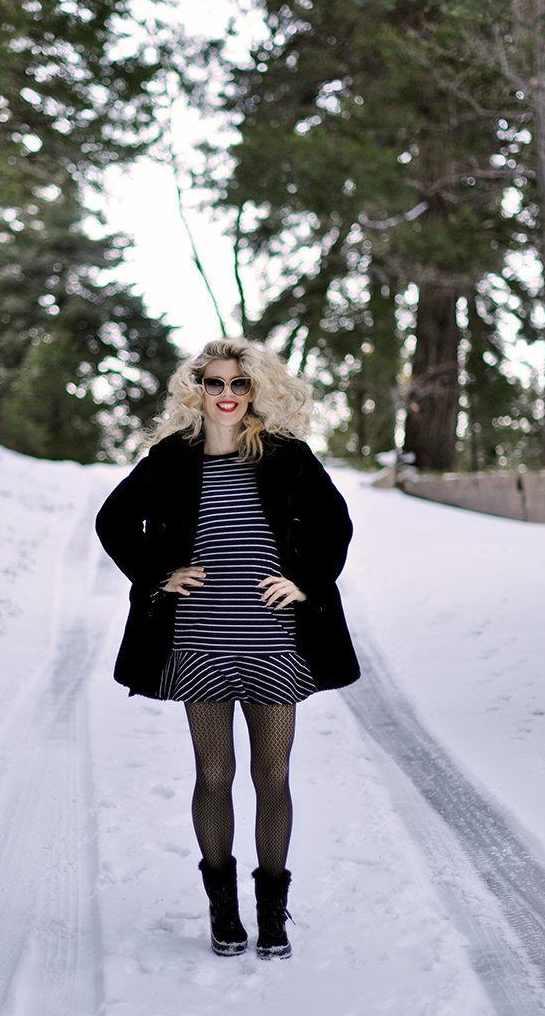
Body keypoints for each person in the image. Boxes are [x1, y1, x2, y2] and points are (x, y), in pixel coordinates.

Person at [96, 337, 359, 960]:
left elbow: (336, 524)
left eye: (239, 385)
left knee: (273, 773)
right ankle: (223, 910)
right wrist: (160, 572)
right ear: (198, 389)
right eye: (215, 384)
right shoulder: (172, 457)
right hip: (200, 638)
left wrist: (307, 582)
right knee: (214, 774)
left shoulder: (286, 455)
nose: (227, 396)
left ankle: (272, 912)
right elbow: (113, 522)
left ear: (256, 391)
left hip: (274, 641)